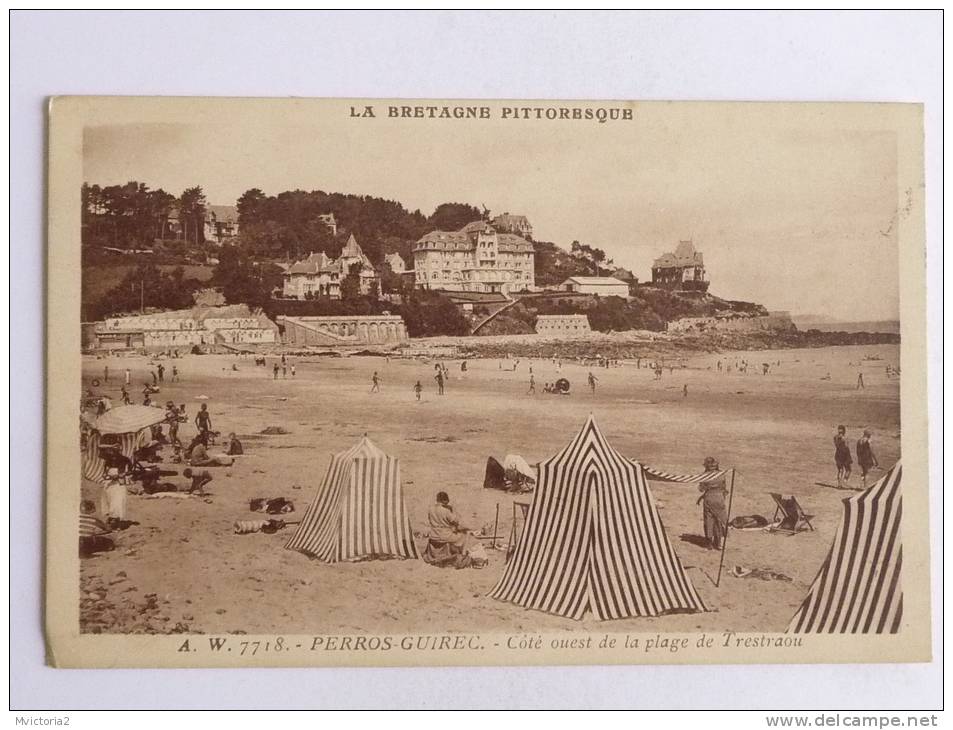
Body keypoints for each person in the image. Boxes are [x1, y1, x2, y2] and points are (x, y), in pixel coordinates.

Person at [422, 492, 485, 568]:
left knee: (455, 534)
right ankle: (463, 555)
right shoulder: (445, 511)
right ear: (445, 500)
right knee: (465, 536)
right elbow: (457, 521)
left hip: (433, 535)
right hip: (444, 536)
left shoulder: (430, 509)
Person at [696, 457, 728, 550]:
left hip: (709, 498)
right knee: (719, 520)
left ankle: (709, 543)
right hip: (720, 498)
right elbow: (724, 488)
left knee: (709, 520)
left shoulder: (705, 475)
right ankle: (718, 543)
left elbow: (701, 489)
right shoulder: (722, 474)